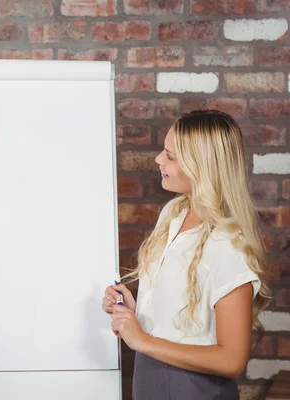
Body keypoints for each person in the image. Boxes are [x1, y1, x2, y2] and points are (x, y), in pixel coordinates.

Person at [102, 110, 270, 399]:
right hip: (148, 379)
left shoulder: (227, 245)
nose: (158, 160)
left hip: (194, 390)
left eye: (170, 155)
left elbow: (232, 361)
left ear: (201, 167)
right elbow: (175, 322)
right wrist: (135, 313)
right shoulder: (173, 214)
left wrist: (141, 340)